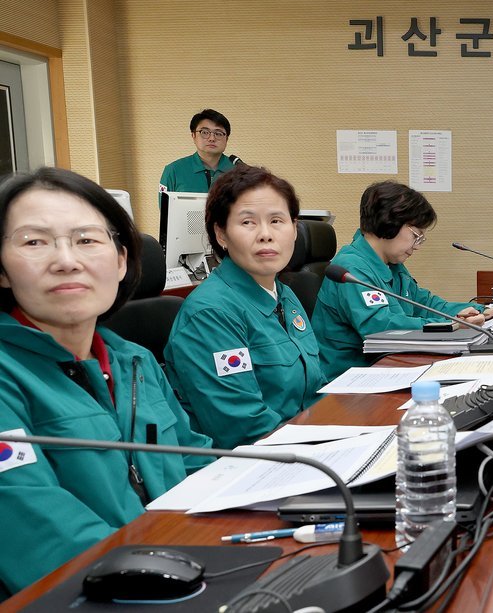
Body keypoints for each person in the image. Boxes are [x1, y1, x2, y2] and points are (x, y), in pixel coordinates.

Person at [0, 167, 213, 597]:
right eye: (34, 242)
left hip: (185, 566)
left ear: (120, 261)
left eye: (87, 240)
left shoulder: (135, 361)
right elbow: (42, 538)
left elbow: (197, 466)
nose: (66, 260)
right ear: (2, 270)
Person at [164, 164, 323, 449]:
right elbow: (244, 427)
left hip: (306, 445)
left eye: (277, 220)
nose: (266, 234)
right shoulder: (211, 314)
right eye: (248, 222)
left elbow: (315, 388)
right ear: (221, 234)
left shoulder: (285, 295)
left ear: (294, 229)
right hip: (256, 461)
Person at [314, 181, 493, 378]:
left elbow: (424, 303)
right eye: (416, 236)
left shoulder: (391, 264)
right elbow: (381, 327)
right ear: (389, 222)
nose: (417, 246)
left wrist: (479, 310)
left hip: (386, 367)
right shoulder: (352, 267)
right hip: (349, 379)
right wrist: (452, 326)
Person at [158, 108, 240, 195]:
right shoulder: (173, 170)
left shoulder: (239, 172)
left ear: (226, 139)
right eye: (205, 132)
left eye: (218, 133)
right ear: (193, 136)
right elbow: (164, 204)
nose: (212, 138)